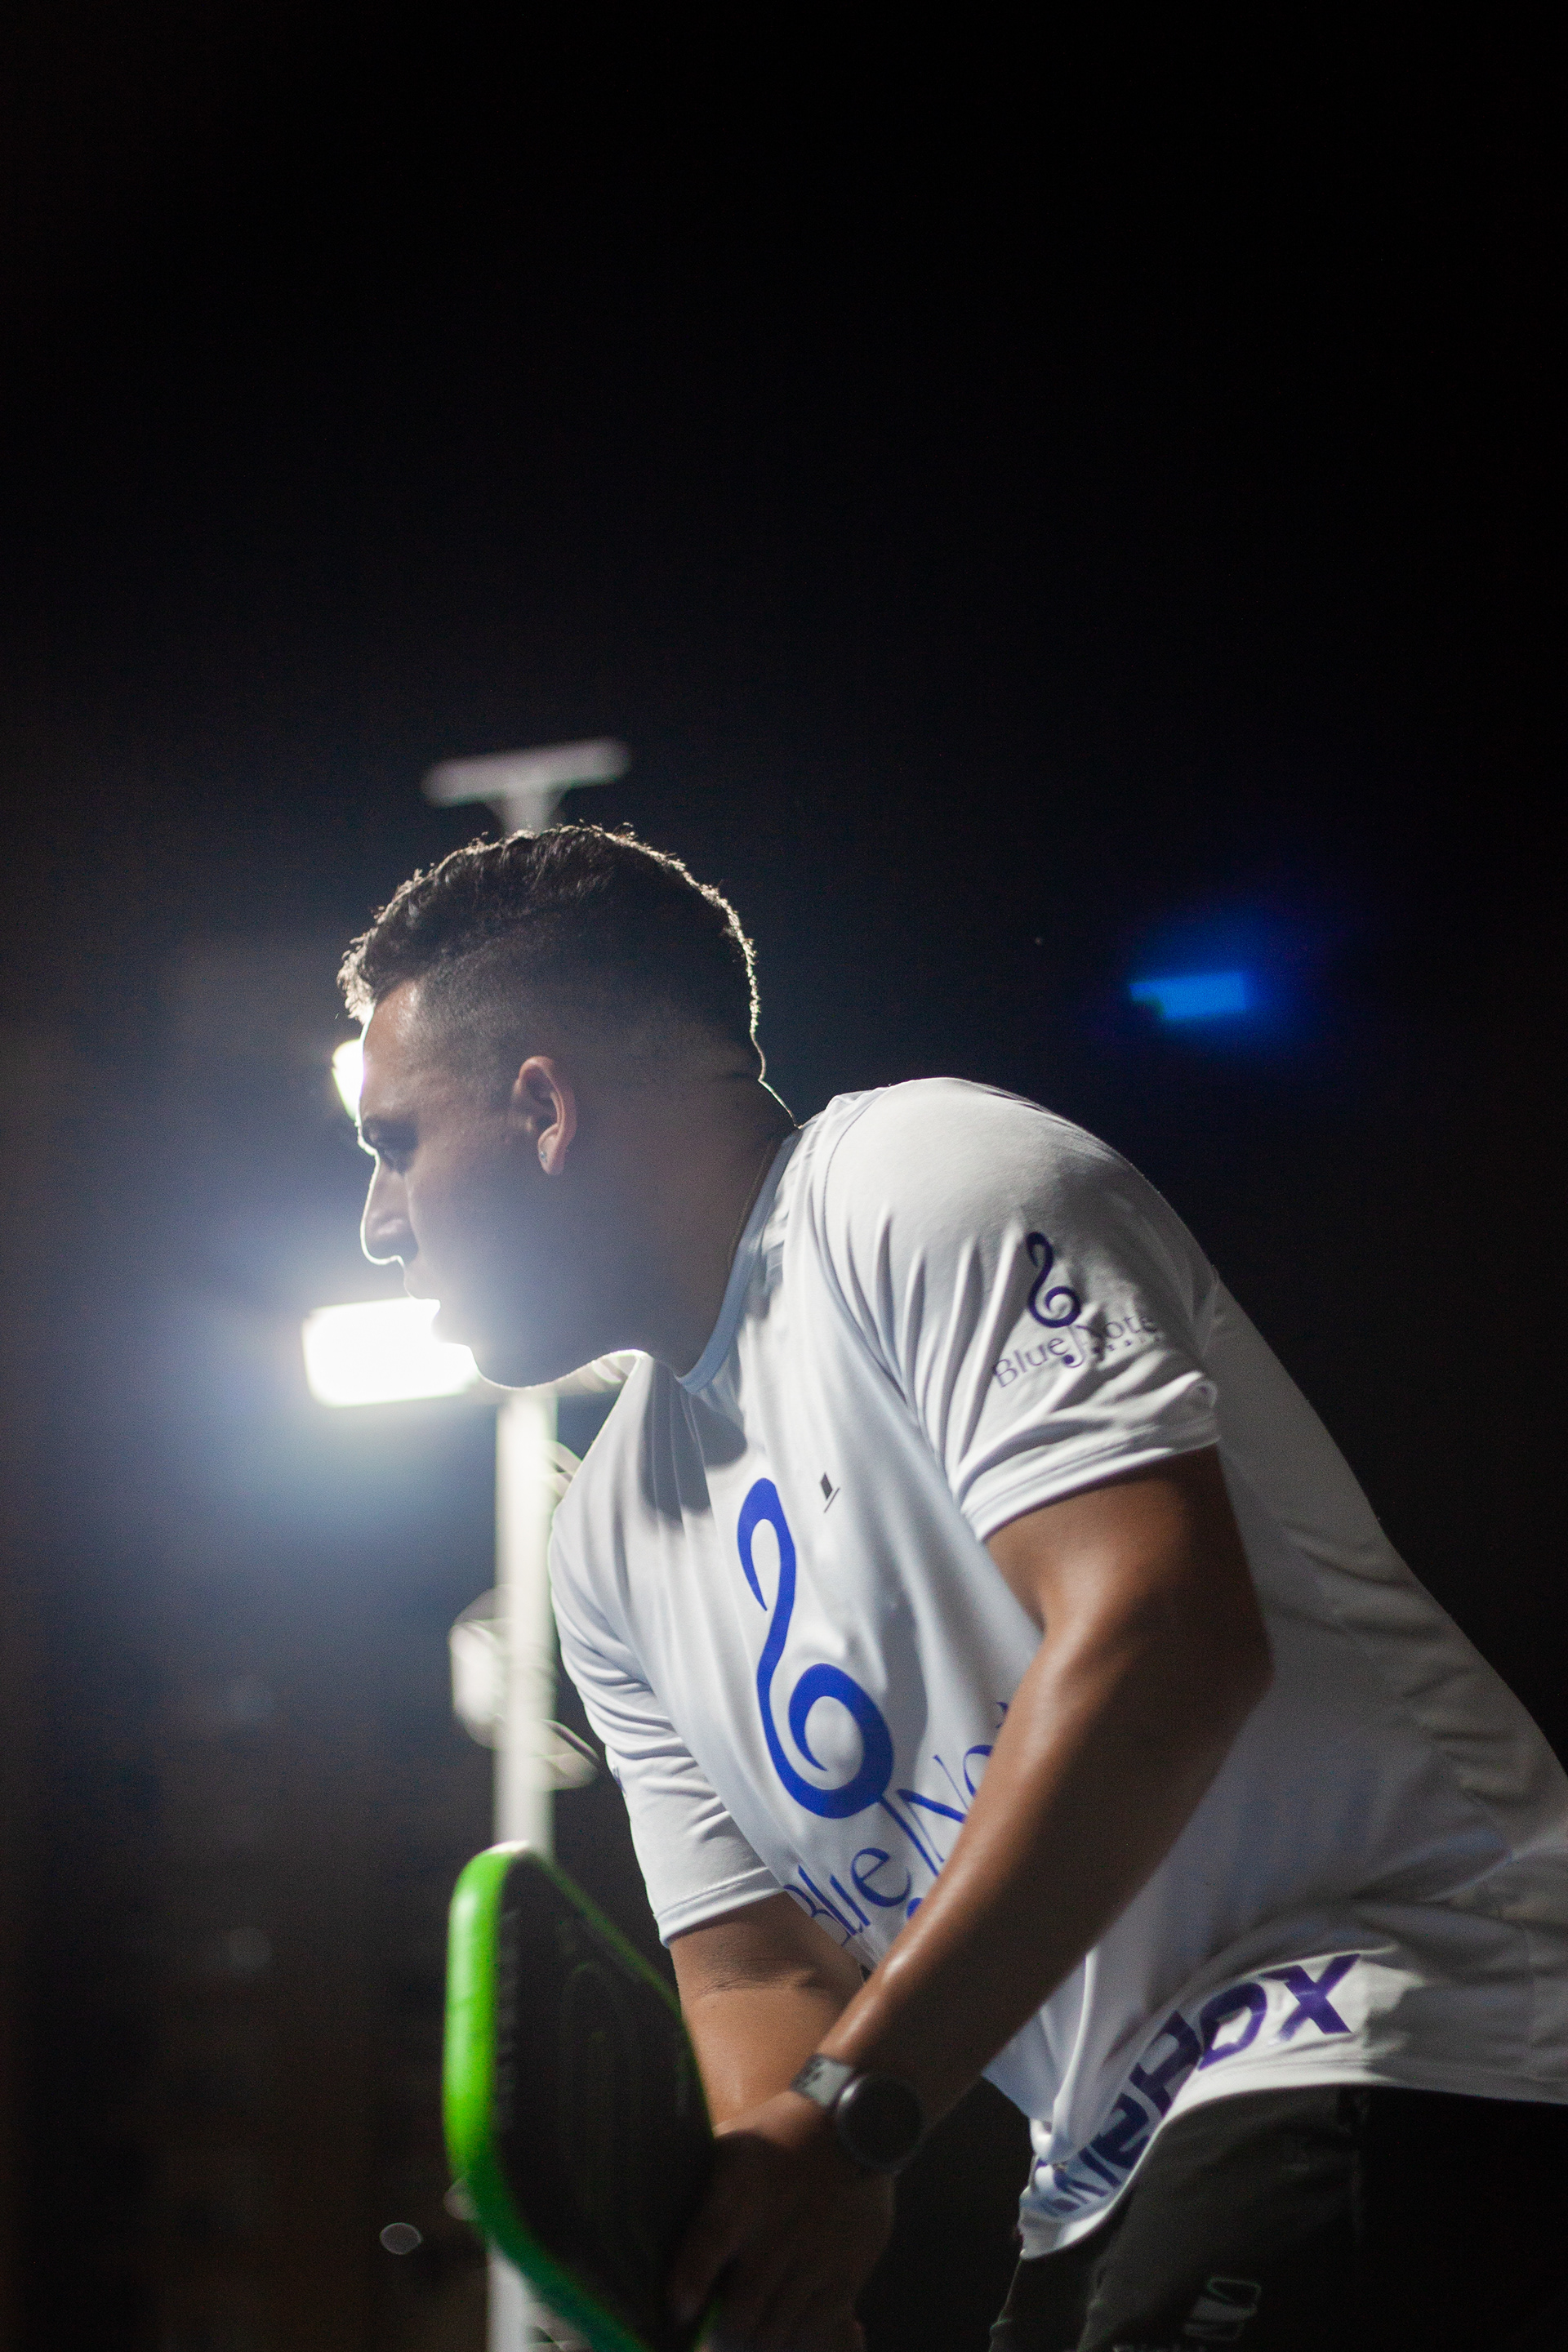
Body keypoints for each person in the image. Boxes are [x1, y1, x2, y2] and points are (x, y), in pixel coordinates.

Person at [342, 825, 1568, 2352]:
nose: (379, 1223)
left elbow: (1167, 1639)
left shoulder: (916, 1182)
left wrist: (852, 2109)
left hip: (1411, 2018)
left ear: (543, 1107)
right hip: (1101, 2167)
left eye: (394, 1142)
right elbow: (761, 1967)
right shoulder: (605, 1549)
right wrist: (772, 2244)